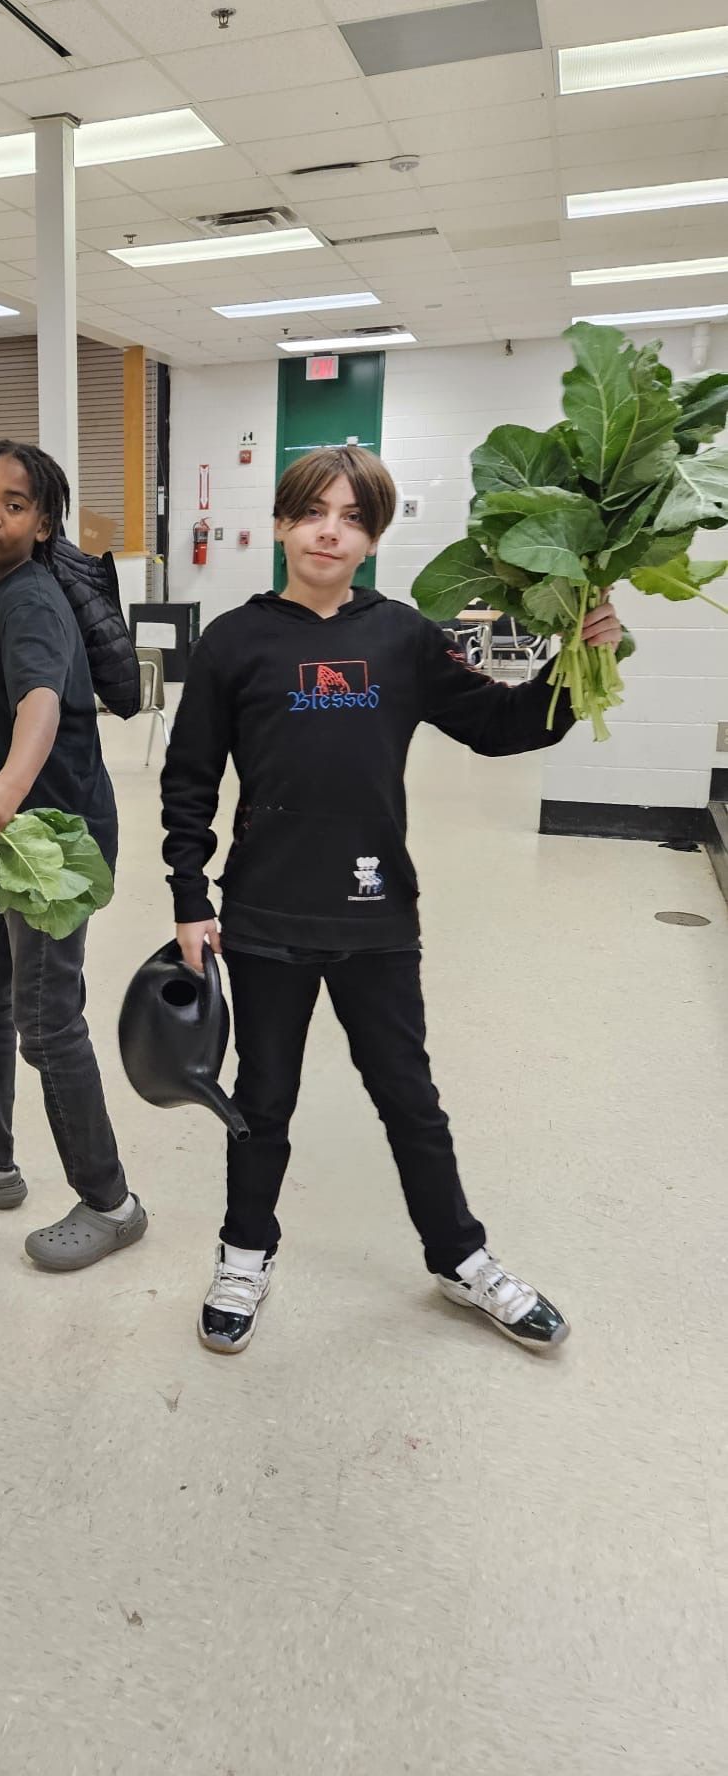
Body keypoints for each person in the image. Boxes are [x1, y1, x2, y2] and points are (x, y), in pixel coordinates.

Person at [160, 445, 621, 1355]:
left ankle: (461, 1259)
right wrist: (189, 895)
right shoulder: (235, 641)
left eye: (353, 517)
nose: (332, 529)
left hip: (376, 913)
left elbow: (494, 727)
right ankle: (244, 1253)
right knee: (263, 1100)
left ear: (372, 538)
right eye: (314, 511)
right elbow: (189, 780)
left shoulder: (402, 636)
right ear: (285, 523)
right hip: (265, 918)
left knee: (410, 1098)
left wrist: (577, 668)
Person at [0, 442, 147, 1270]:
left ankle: (111, 1202)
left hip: (52, 842)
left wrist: (8, 783)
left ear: (44, 523)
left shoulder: (31, 601)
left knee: (47, 1022)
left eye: (15, 503)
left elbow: (41, 701)